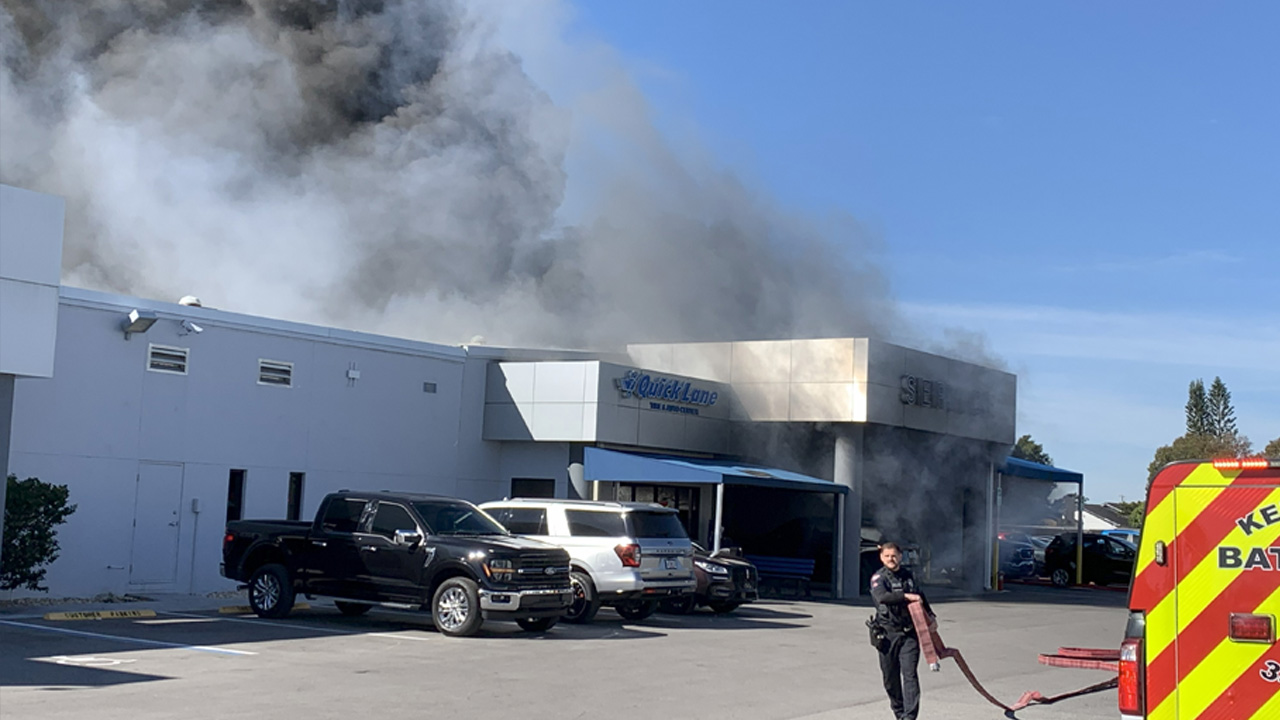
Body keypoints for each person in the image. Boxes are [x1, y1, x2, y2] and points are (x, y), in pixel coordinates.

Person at [869, 542, 933, 720]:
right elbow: (882, 597)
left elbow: (920, 596)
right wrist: (905, 596)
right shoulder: (879, 578)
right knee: (890, 679)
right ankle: (899, 713)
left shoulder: (909, 576)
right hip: (887, 634)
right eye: (887, 556)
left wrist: (930, 616)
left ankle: (910, 717)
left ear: (900, 556)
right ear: (881, 557)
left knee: (910, 675)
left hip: (909, 633)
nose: (891, 559)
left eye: (894, 555)